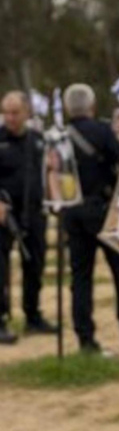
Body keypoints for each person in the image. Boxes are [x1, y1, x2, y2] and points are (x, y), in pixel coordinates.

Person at [62, 83, 119, 353]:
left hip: (72, 211)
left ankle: (85, 339)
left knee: (80, 276)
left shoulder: (59, 136)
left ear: (69, 108)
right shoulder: (102, 131)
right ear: (91, 108)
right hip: (104, 213)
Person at [0, 91, 57, 344]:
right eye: (6, 112)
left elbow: (48, 173)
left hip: (34, 213)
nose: (10, 117)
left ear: (27, 113)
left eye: (15, 112)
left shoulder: (38, 140)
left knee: (34, 265)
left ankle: (32, 315)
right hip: (3, 214)